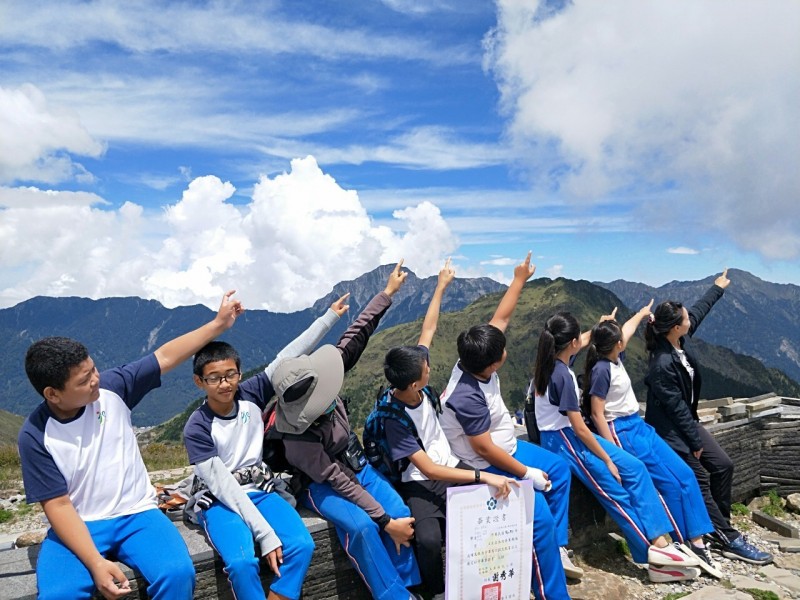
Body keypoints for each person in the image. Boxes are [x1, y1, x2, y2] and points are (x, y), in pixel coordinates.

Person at [18, 291, 245, 599]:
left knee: (177, 573)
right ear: (53, 394)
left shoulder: (113, 388)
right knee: (60, 594)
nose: (96, 380)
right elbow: (57, 505)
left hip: (138, 514)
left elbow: (164, 357)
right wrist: (96, 563)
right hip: (79, 524)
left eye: (93, 369)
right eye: (84, 381)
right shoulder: (35, 435)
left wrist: (218, 324)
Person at [383, 259, 557, 600]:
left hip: (450, 464)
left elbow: (428, 330)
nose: (431, 365)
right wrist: (484, 478)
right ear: (415, 381)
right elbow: (430, 469)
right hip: (423, 479)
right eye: (426, 367)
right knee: (432, 539)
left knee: (485, 519)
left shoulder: (416, 379)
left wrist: (440, 287)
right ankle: (435, 593)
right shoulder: (394, 418)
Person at [182, 293, 351, 600]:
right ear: (199, 382)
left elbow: (289, 355)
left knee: (302, 544)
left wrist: (330, 317)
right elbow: (222, 486)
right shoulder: (197, 426)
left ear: (239, 373)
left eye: (231, 374)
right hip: (219, 499)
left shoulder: (250, 394)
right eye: (214, 378)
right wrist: (265, 533)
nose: (225, 384)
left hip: (261, 489)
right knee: (242, 562)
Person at [275, 262, 422, 600]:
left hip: (356, 465)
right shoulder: (296, 438)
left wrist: (387, 294)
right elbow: (336, 480)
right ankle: (393, 596)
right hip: (319, 485)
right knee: (362, 527)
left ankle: (411, 587)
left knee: (402, 513)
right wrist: (383, 520)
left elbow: (355, 335)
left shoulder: (316, 377)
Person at [437, 252, 583, 582]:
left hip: (506, 446)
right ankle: (549, 584)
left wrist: (519, 279)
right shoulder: (467, 396)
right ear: (492, 364)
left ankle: (556, 548)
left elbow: (500, 320)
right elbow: (484, 449)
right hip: (484, 461)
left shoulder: (475, 355)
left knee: (559, 469)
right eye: (502, 351)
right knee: (540, 518)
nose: (506, 349)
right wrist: (526, 472)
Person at [533, 311, 703, 583]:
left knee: (635, 468)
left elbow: (585, 339)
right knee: (614, 491)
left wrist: (599, 324)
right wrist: (608, 459)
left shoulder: (559, 359)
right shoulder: (562, 376)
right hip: (564, 441)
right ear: (573, 342)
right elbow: (579, 428)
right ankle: (654, 554)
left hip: (573, 436)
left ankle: (661, 538)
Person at [644, 269, 773, 565]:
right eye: (685, 318)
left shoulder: (677, 343)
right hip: (670, 432)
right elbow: (675, 409)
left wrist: (717, 288)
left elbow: (698, 312)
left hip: (687, 424)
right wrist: (695, 442)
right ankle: (728, 537)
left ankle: (718, 526)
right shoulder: (662, 365)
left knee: (723, 466)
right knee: (700, 476)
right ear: (675, 327)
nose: (690, 320)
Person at [582, 303, 721, 577]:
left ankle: (697, 540)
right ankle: (683, 542)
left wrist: (642, 313)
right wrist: (610, 453)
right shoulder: (601, 370)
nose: (626, 337)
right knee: (664, 483)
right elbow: (597, 414)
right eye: (621, 337)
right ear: (617, 344)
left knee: (684, 474)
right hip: (620, 430)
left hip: (639, 425)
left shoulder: (613, 357)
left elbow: (627, 330)